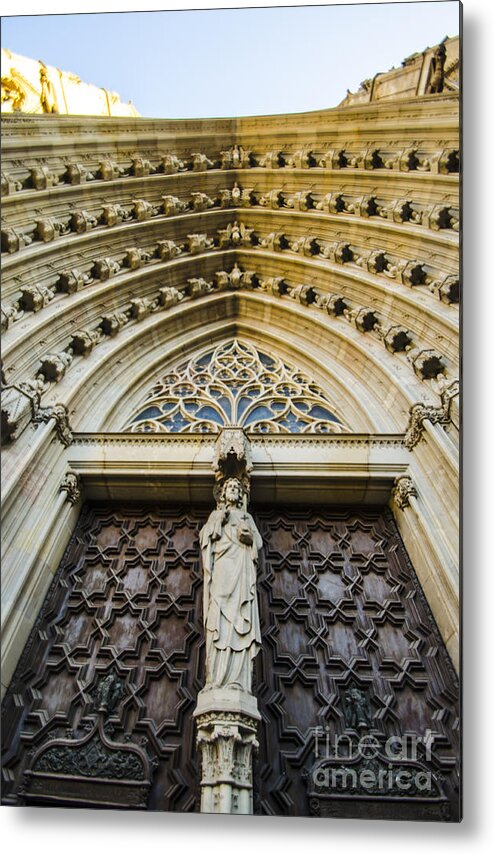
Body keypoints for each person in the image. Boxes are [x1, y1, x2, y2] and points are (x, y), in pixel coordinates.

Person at [199, 478, 262, 693]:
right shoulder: (216, 515)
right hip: (223, 572)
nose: (234, 490)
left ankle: (238, 680)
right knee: (219, 620)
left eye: (237, 488)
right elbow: (207, 538)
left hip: (242, 574)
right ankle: (215, 678)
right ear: (223, 493)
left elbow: (257, 543)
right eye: (230, 488)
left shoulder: (247, 517)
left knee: (239, 623)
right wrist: (218, 521)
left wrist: (249, 537)